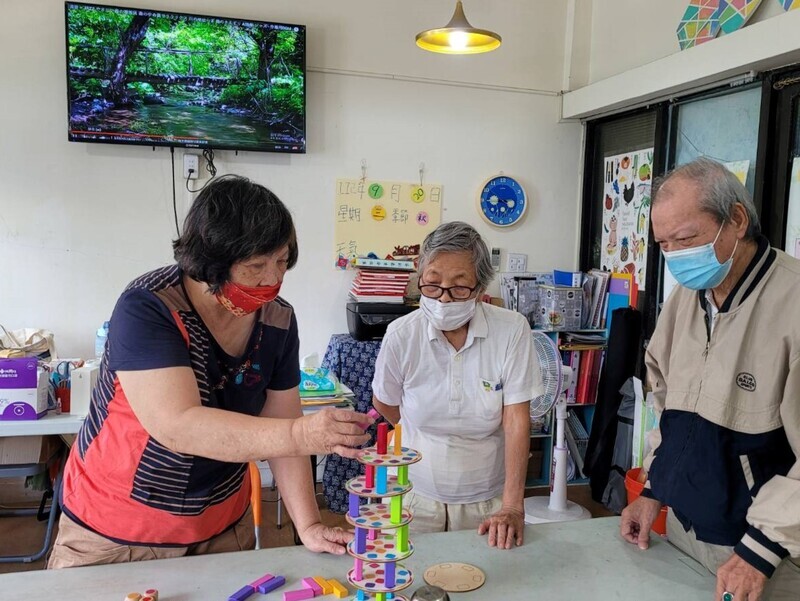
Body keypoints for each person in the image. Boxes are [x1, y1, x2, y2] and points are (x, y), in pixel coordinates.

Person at [49, 175, 372, 568]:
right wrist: (301, 433)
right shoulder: (149, 307)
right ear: (210, 262)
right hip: (119, 530)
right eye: (256, 265)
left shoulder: (277, 319)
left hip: (220, 523)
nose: (272, 279)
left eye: (282, 261)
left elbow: (282, 423)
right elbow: (178, 425)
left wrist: (308, 525)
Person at [620, 158, 800, 600]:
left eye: (685, 239)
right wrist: (654, 489)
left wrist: (762, 549)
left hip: (766, 553)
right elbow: (668, 408)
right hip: (684, 531)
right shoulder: (686, 298)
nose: (676, 256)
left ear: (736, 220)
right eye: (664, 244)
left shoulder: (793, 302)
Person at [371, 221, 541, 550]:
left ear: (480, 287)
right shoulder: (402, 334)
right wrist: (419, 429)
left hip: (487, 499)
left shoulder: (511, 330)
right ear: (419, 276)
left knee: (489, 574)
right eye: (433, 284)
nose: (444, 299)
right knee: (408, 571)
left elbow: (517, 420)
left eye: (460, 287)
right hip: (412, 493)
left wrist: (512, 506)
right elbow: (385, 402)